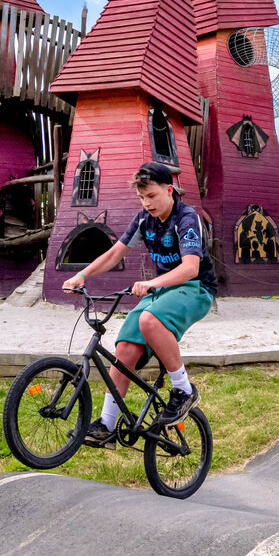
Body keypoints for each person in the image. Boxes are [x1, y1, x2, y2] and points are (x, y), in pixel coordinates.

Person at [63, 162, 216, 448]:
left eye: (153, 196)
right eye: (142, 198)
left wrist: (153, 284)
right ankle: (107, 425)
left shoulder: (186, 217)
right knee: (124, 348)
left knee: (148, 319)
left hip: (195, 289)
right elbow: (114, 253)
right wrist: (81, 275)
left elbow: (191, 268)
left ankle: (183, 390)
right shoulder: (144, 220)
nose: (147, 204)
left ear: (169, 190)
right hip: (164, 290)